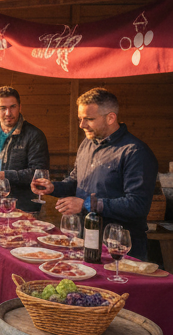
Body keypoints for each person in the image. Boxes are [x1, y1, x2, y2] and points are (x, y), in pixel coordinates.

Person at [39, 87, 158, 259]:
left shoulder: (135, 152)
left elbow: (137, 205)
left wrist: (87, 204)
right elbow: (75, 182)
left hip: (121, 249)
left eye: (89, 119)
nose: (82, 125)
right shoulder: (87, 143)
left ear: (111, 118)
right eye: (80, 119)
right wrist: (52, 188)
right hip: (84, 241)